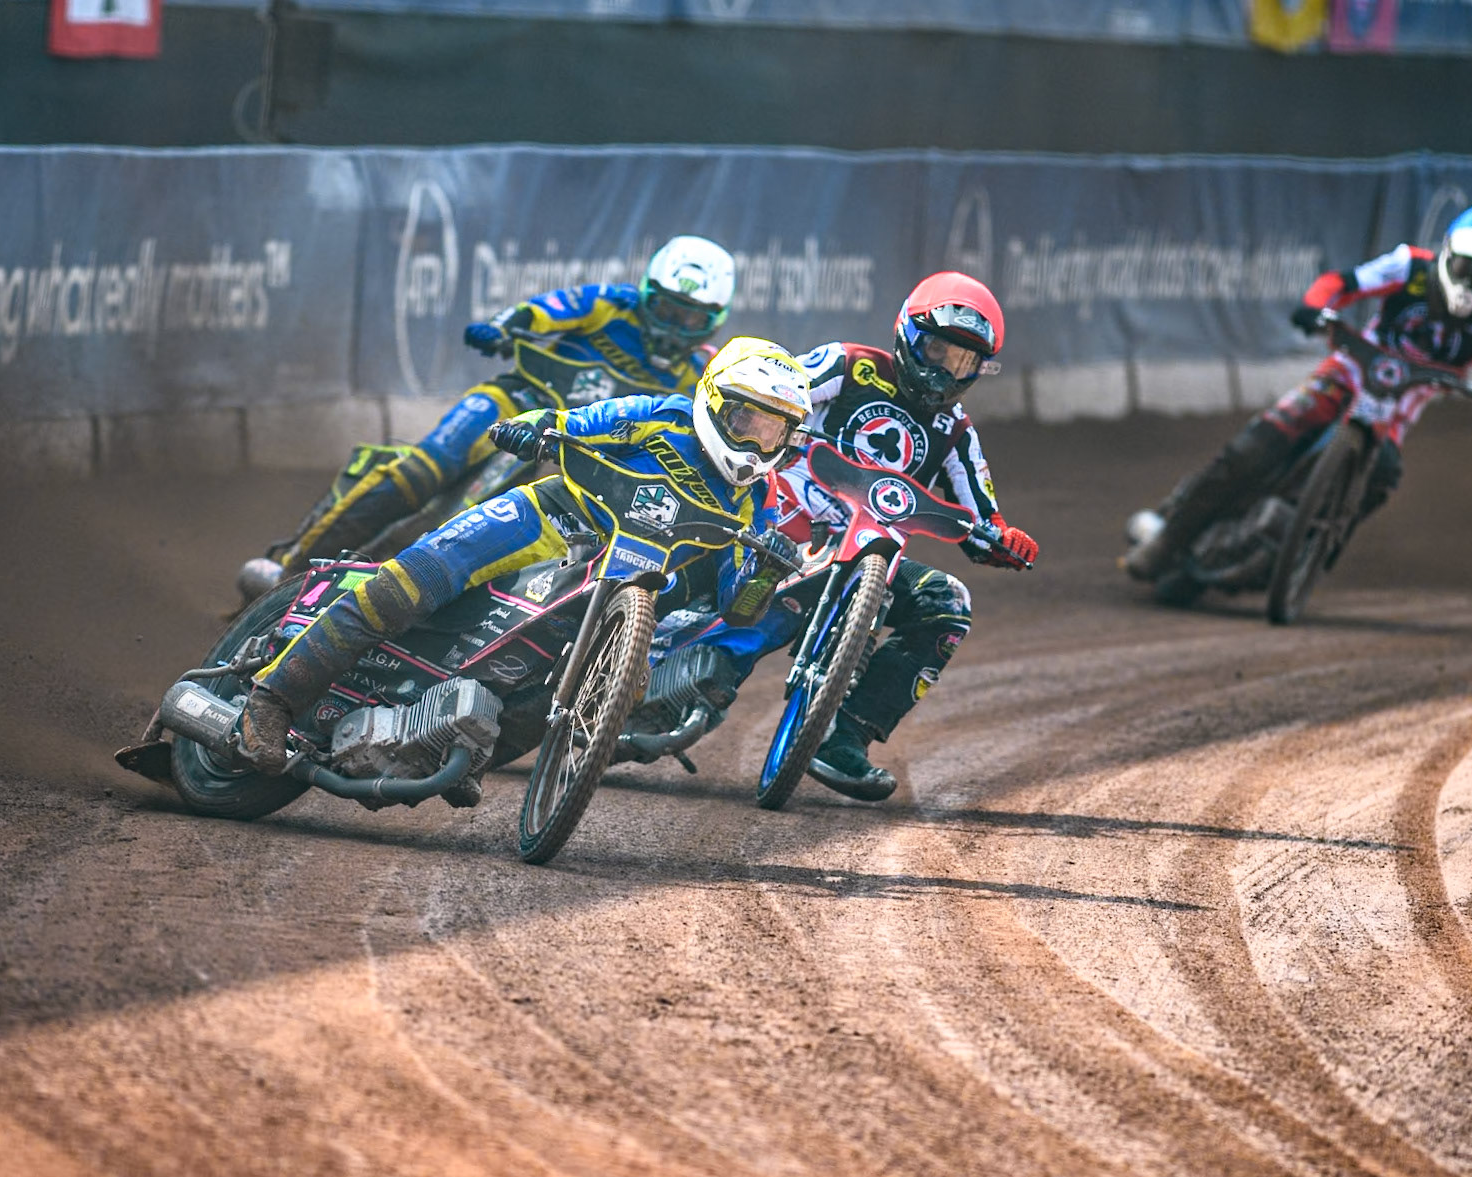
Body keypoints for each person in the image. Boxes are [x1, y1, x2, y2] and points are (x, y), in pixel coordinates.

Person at [237, 336, 811, 775]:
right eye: (748, 421)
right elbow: (579, 423)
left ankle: (455, 752)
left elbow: (739, 606)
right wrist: (537, 426)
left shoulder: (755, 501)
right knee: (411, 582)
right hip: (550, 519)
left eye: (775, 432)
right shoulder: (659, 413)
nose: (759, 442)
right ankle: (271, 698)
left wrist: (767, 571)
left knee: (572, 693)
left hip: (610, 582)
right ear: (713, 400)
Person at [659, 271, 1040, 801]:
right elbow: (774, 396)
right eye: (937, 349)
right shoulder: (848, 363)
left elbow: (983, 518)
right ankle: (625, 634)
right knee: (685, 563)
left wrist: (1002, 540)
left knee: (947, 602)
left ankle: (843, 738)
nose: (946, 370)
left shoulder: (956, 431)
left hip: (862, 554)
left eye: (963, 361)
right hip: (766, 518)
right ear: (908, 335)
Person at [238, 235, 737, 598]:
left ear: (712, 320)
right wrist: (503, 328)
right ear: (647, 293)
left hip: (566, 449)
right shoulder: (611, 305)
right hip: (517, 402)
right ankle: (288, 565)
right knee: (425, 468)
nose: (675, 326)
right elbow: (544, 311)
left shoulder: (695, 377)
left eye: (690, 318)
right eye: (667, 309)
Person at [1122, 203, 1472, 583]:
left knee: (1383, 472)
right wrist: (1316, 307)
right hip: (1346, 372)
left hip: (1397, 407)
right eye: (1467, 269)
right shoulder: (1409, 266)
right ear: (1448, 254)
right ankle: (1169, 532)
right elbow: (1341, 282)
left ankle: (1317, 543)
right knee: (1262, 440)